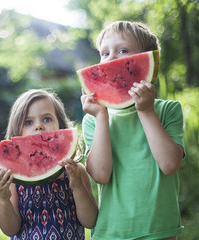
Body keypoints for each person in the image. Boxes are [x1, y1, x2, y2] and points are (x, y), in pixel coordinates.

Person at [81, 21, 185, 239]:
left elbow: (169, 165)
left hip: (160, 231)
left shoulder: (168, 110)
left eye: (123, 50)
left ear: (148, 61)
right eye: (105, 53)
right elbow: (100, 175)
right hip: (110, 232)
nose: (111, 59)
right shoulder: (93, 120)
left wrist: (146, 111)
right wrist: (100, 116)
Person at [0, 89, 98, 239]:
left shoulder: (75, 171)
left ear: (61, 127)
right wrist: (3, 198)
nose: (39, 126)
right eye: (28, 122)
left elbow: (90, 221)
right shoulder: (14, 179)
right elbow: (10, 229)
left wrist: (77, 187)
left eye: (47, 119)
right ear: (17, 135)